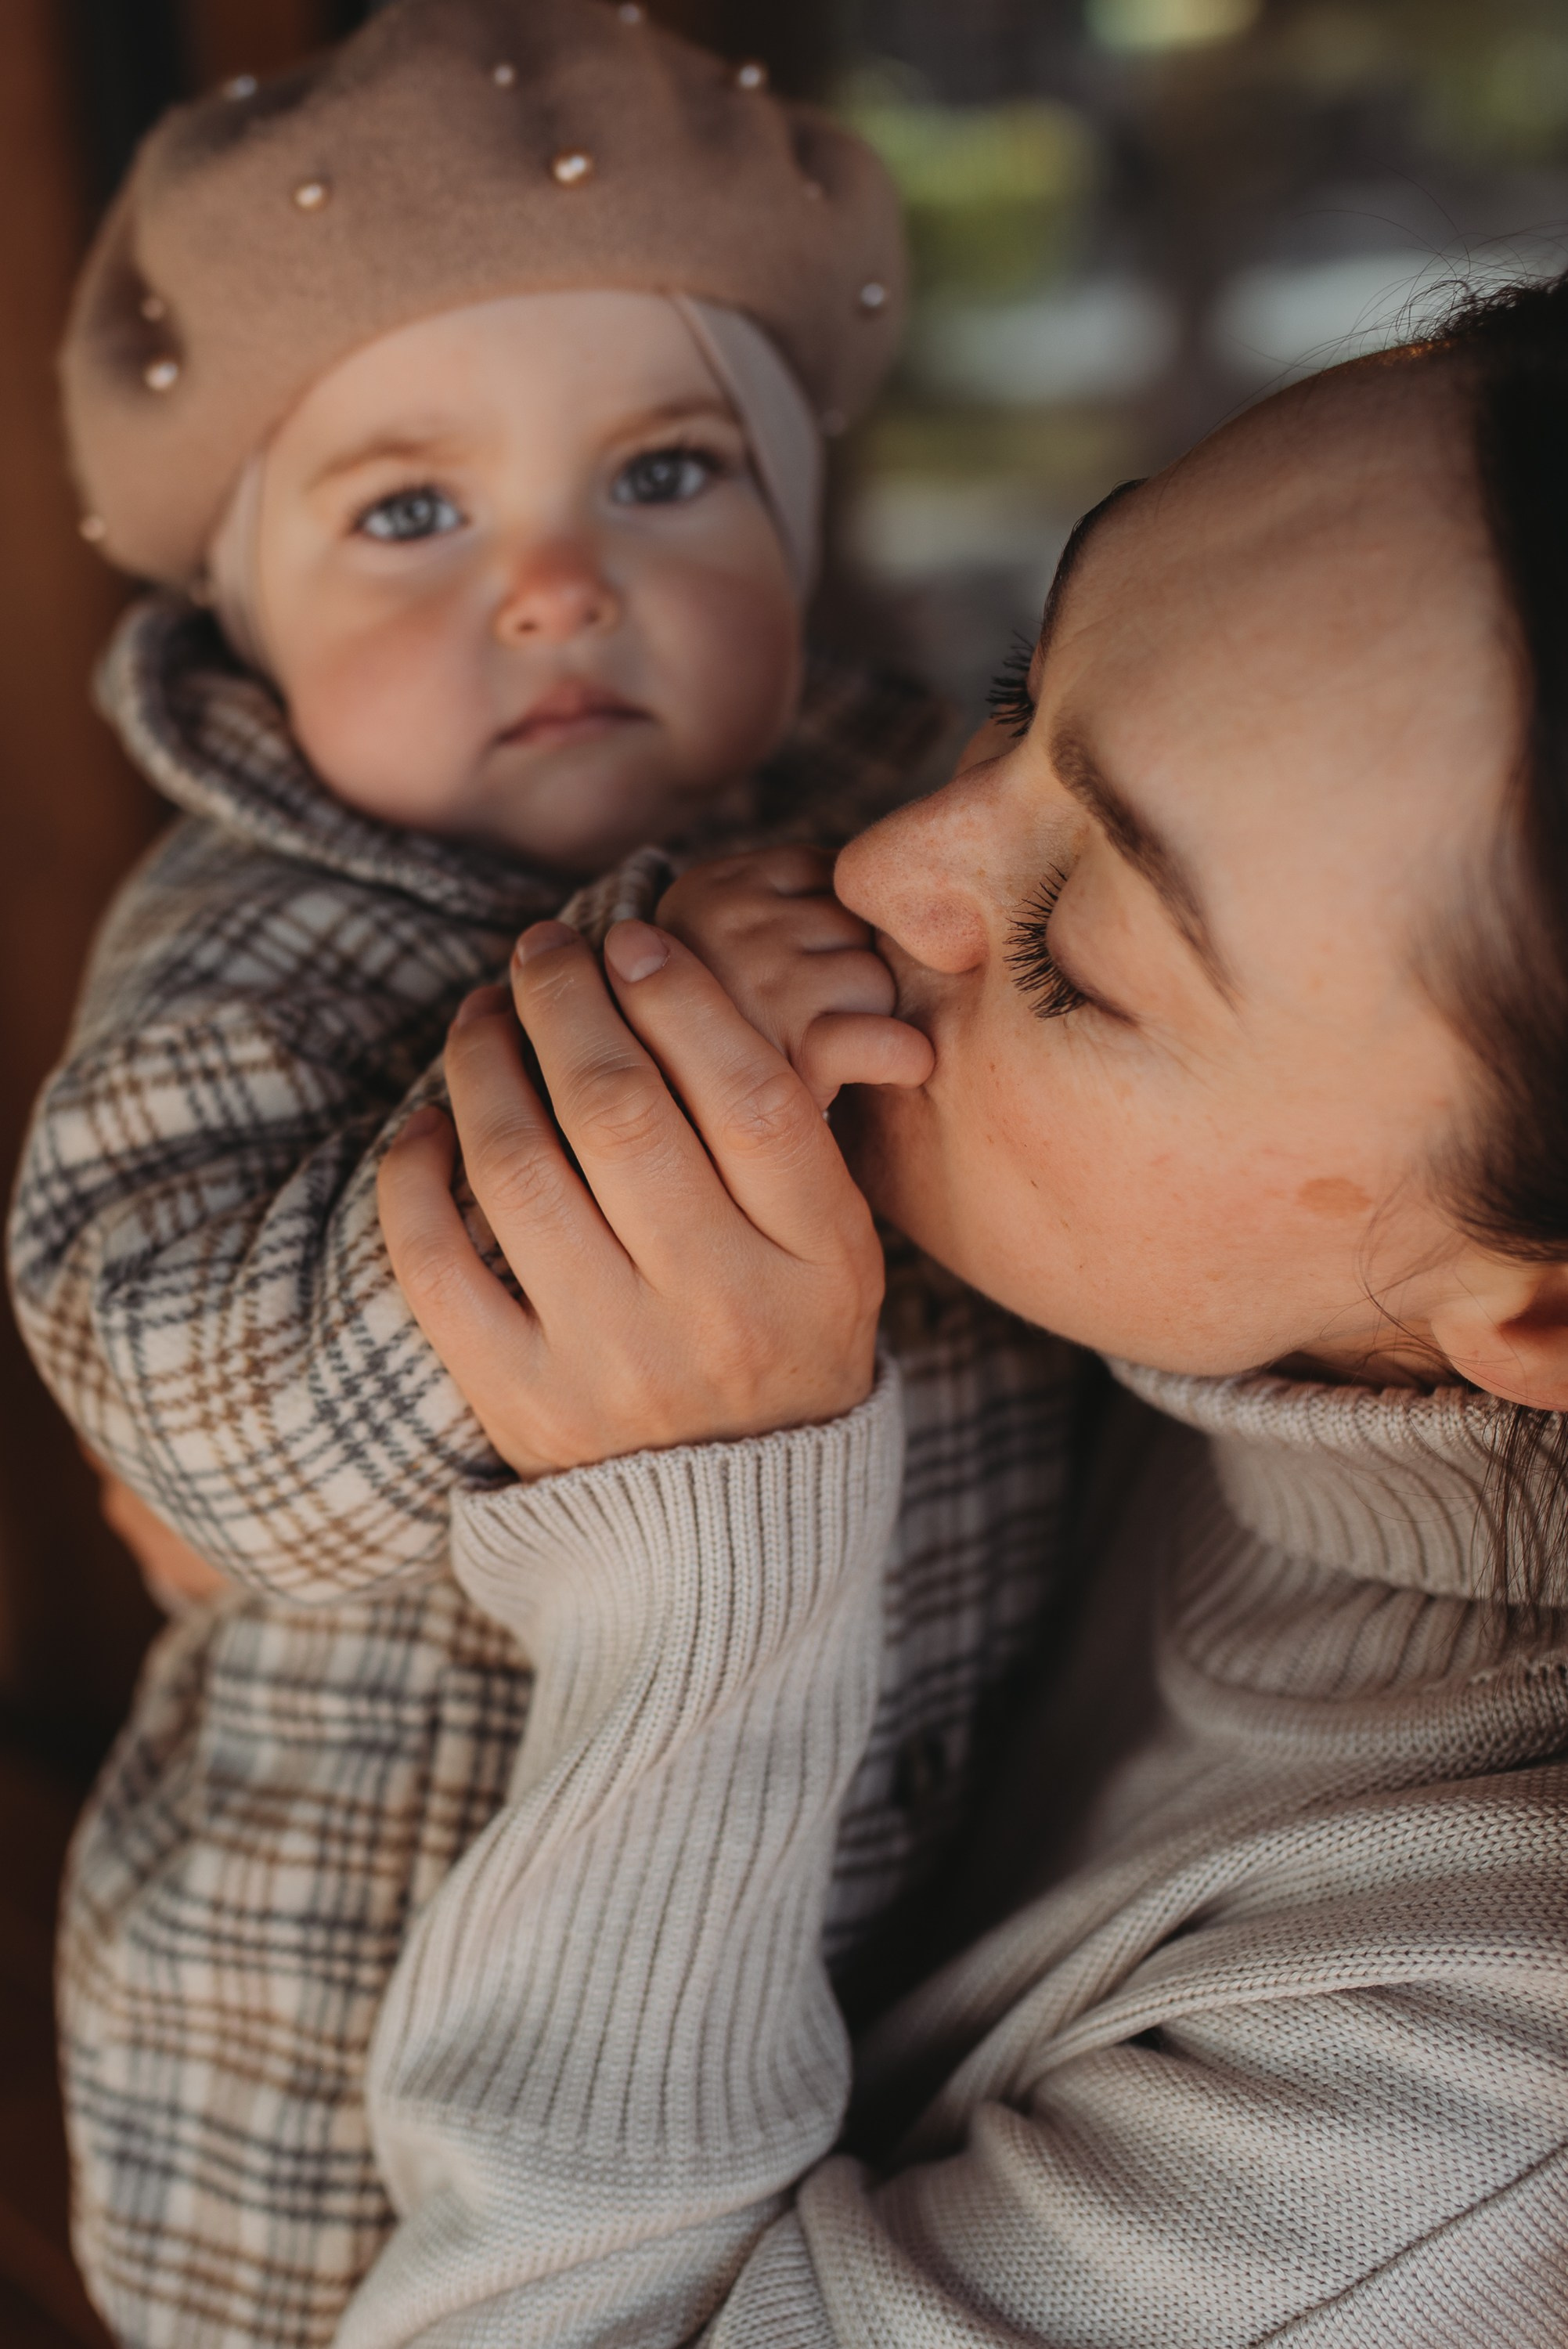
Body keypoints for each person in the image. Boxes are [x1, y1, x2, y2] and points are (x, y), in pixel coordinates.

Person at [329, 283, 1568, 2344]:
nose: (898, 855)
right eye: (1017, 690)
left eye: (1075, 951)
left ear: (1530, 1324)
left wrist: (697, 1558)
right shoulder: (1209, 1320)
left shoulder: (1477, 2101)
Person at [8, 8, 1083, 2344]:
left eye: (670, 476)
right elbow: (188, 1401)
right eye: (410, 512)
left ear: (804, 520)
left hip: (882, 1956)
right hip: (349, 2077)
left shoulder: (909, 822)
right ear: (248, 617)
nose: (554, 587)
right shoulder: (256, 948)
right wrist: (625, 1067)